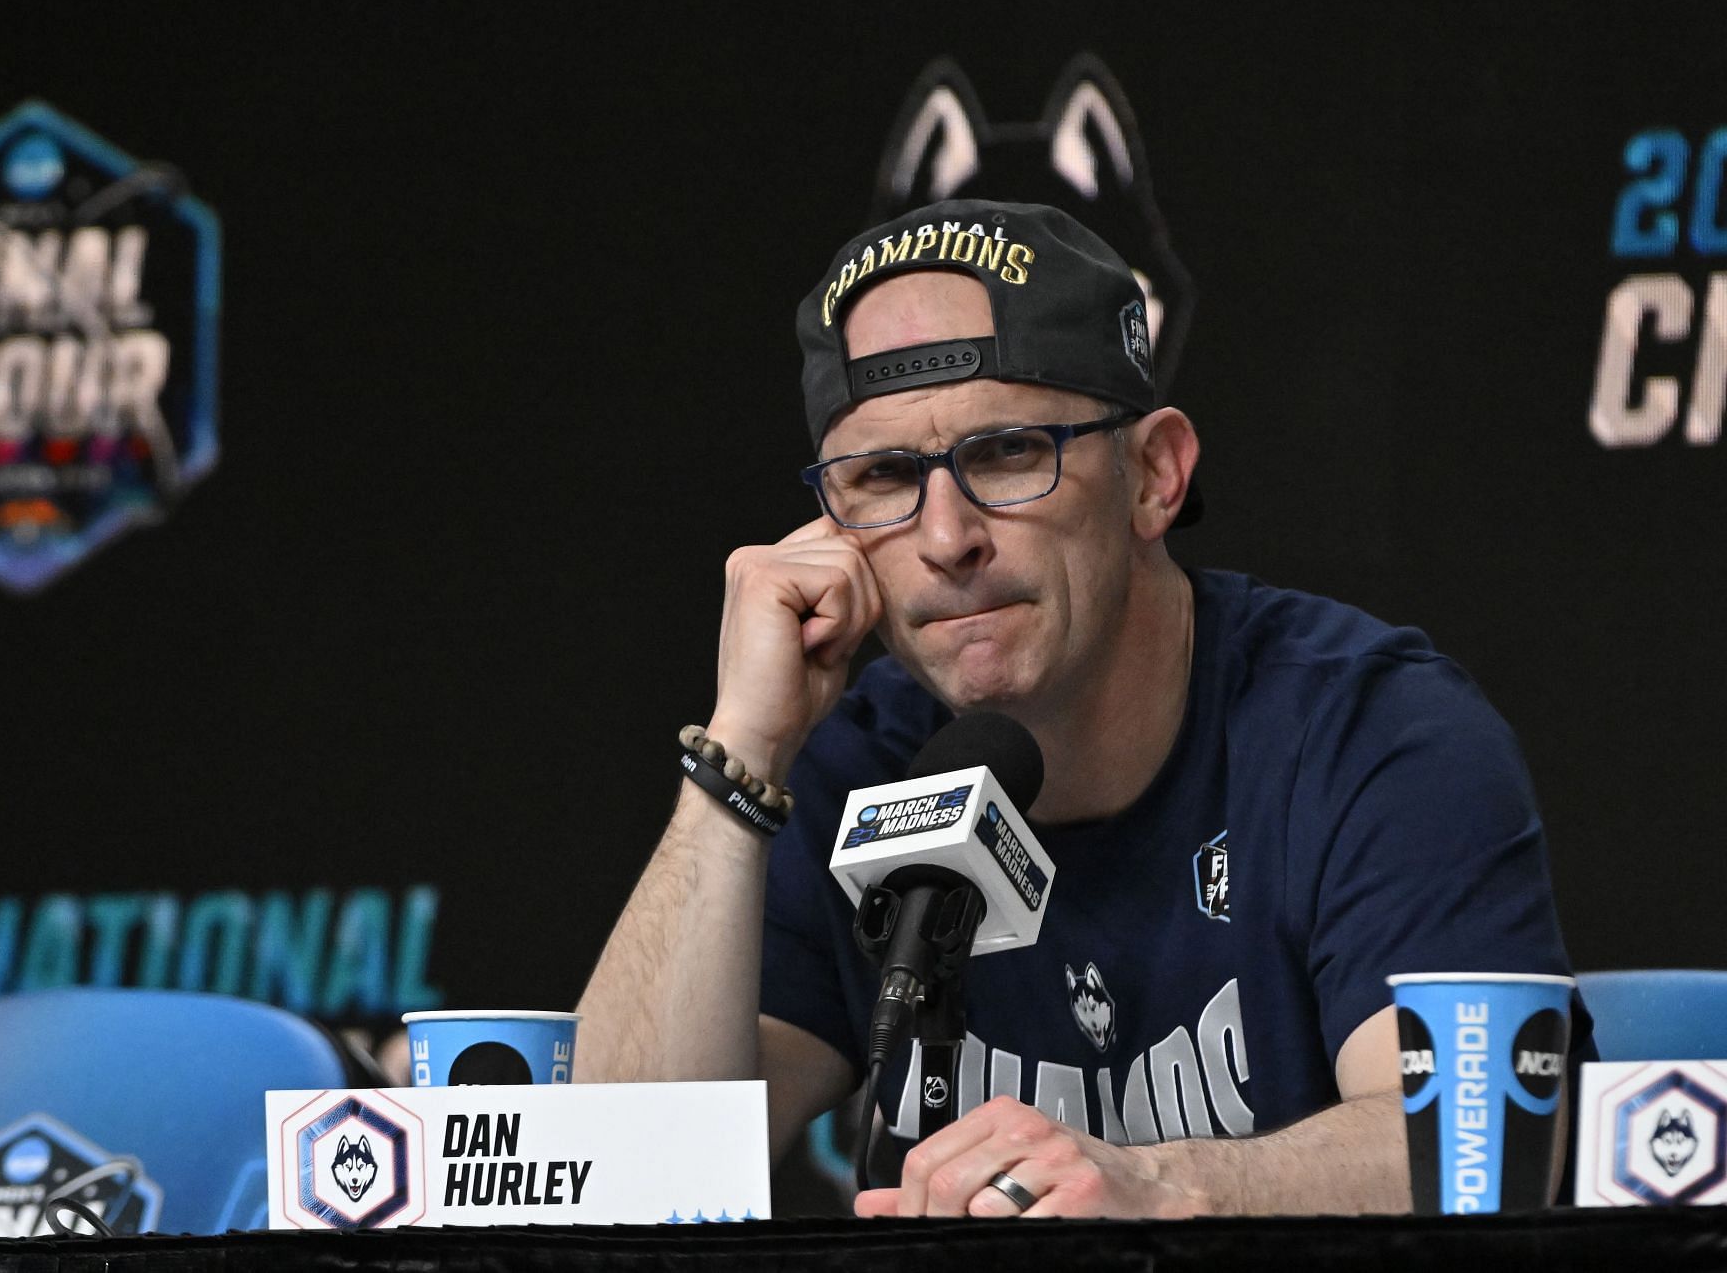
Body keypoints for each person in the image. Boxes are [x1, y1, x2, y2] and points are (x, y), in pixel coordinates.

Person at [575, 198, 1587, 1218]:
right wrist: (741, 752)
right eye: (882, 478)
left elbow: (1479, 1141)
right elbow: (621, 1179)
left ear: (1154, 475)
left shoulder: (1371, 731)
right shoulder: (851, 763)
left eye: (1009, 452)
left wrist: (1161, 1188)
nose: (946, 538)